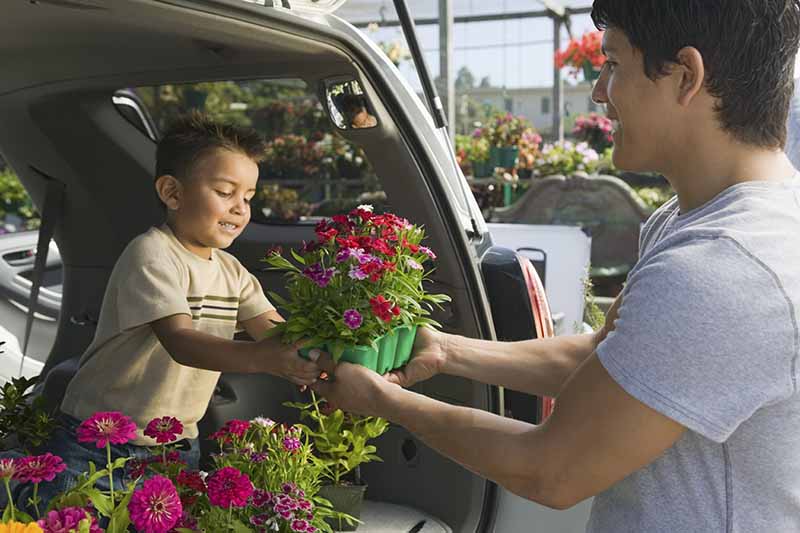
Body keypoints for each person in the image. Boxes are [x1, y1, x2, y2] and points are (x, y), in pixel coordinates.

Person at [311, 1, 800, 531]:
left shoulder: (722, 266)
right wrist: (448, 349)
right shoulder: (703, 221)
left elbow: (553, 470)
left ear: (685, 75)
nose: (597, 92)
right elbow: (607, 358)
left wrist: (385, 402)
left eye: (613, 64)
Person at [20, 113, 321, 507]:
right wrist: (269, 358)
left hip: (176, 444)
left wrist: (315, 358)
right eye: (225, 192)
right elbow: (181, 341)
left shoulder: (232, 272)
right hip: (99, 439)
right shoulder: (152, 254)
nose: (240, 209)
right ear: (172, 193)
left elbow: (278, 333)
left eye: (248, 197)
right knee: (71, 518)